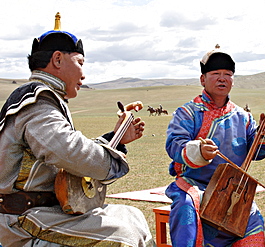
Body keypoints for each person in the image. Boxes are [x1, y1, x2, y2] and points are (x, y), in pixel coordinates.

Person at [0, 13, 154, 246]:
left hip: (48, 213)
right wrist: (112, 162)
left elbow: (66, 153)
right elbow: (68, 151)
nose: (83, 74)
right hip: (23, 220)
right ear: (58, 59)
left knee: (133, 217)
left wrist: (116, 138)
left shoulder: (47, 99)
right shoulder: (37, 99)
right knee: (126, 237)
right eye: (80, 63)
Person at [165, 45, 265, 246]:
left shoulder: (243, 117)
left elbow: (256, 152)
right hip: (194, 184)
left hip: (231, 188)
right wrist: (198, 150)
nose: (222, 78)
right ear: (203, 79)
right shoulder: (188, 113)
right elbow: (174, 145)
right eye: (216, 73)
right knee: (188, 208)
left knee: (253, 218)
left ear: (232, 81)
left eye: (227, 74)